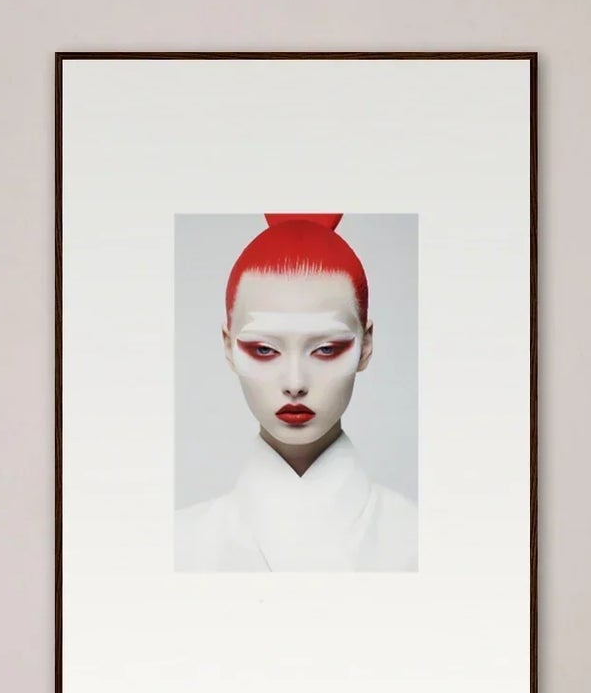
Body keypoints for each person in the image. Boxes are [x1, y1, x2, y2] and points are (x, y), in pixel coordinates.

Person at [176, 212, 417, 573]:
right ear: (228, 346)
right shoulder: (178, 546)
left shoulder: (421, 542)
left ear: (366, 345)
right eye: (264, 350)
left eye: (325, 349)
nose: (294, 382)